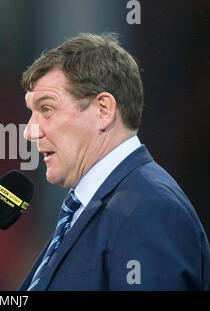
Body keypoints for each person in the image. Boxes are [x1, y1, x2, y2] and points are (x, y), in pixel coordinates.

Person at [19, 33, 210, 291]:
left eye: (47, 109)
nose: (30, 131)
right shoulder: (99, 207)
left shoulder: (149, 210)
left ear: (103, 111)